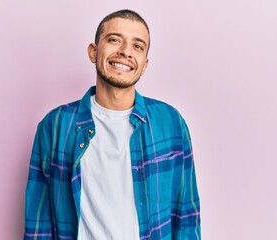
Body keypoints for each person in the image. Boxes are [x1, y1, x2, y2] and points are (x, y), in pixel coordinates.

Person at [24, 9, 201, 240]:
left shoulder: (171, 123)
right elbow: (39, 221)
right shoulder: (55, 125)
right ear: (93, 51)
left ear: (144, 64)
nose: (125, 51)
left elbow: (186, 216)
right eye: (114, 39)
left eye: (137, 46)